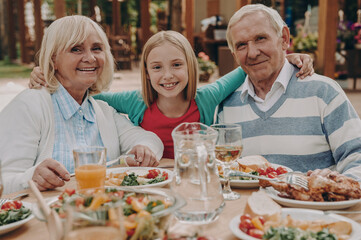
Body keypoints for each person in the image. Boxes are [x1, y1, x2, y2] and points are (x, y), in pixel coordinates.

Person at [29, 31, 314, 159]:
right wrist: (47, 76)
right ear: (147, 74)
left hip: (195, 174)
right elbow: (88, 92)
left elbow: (244, 68)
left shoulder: (205, 97)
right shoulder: (135, 102)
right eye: (157, 67)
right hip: (152, 182)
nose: (167, 76)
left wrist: (287, 56)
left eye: (177, 65)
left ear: (190, 68)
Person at [0, 15, 163, 194]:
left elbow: (151, 140)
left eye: (96, 48)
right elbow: (5, 182)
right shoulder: (29, 106)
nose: (90, 58)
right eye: (76, 49)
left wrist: (143, 150)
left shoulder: (102, 111)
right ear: (53, 58)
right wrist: (32, 177)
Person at [217, 4, 361, 180]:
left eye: (261, 38)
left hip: (313, 205)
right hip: (248, 206)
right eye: (241, 45)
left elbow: (357, 157)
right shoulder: (227, 104)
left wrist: (335, 184)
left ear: (284, 38)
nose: (253, 53)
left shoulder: (323, 92)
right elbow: (221, 168)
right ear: (234, 55)